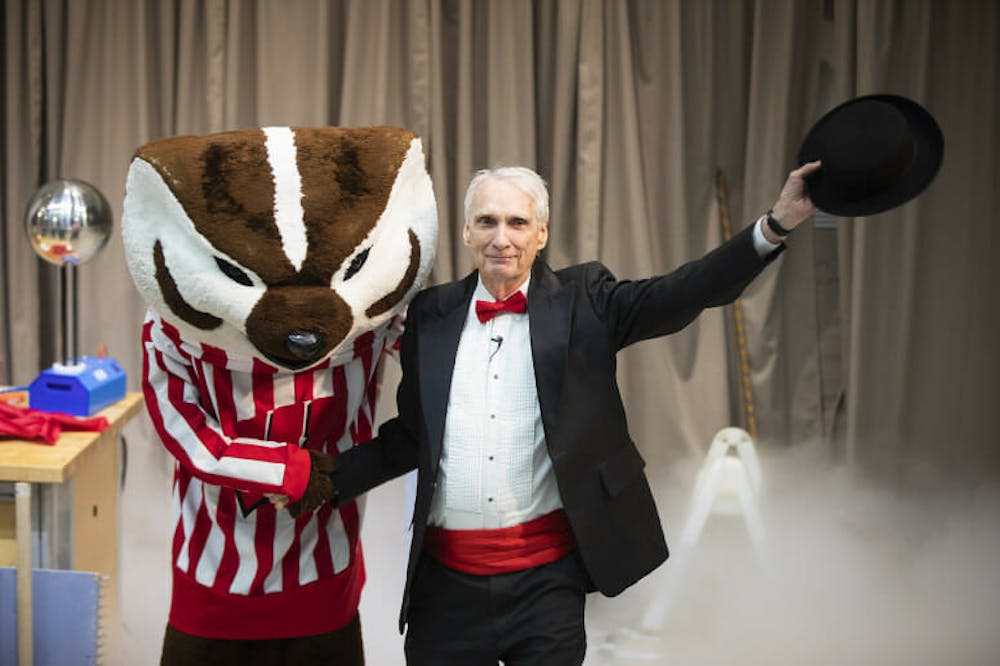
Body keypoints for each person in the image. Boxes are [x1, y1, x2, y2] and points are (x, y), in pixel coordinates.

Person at [298, 161, 820, 664]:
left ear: (541, 234)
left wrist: (774, 227)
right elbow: (413, 437)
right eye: (487, 221)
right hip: (445, 589)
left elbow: (684, 290)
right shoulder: (431, 315)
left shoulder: (585, 300)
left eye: (517, 222)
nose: (502, 237)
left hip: (546, 587)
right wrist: (319, 479)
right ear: (467, 232)